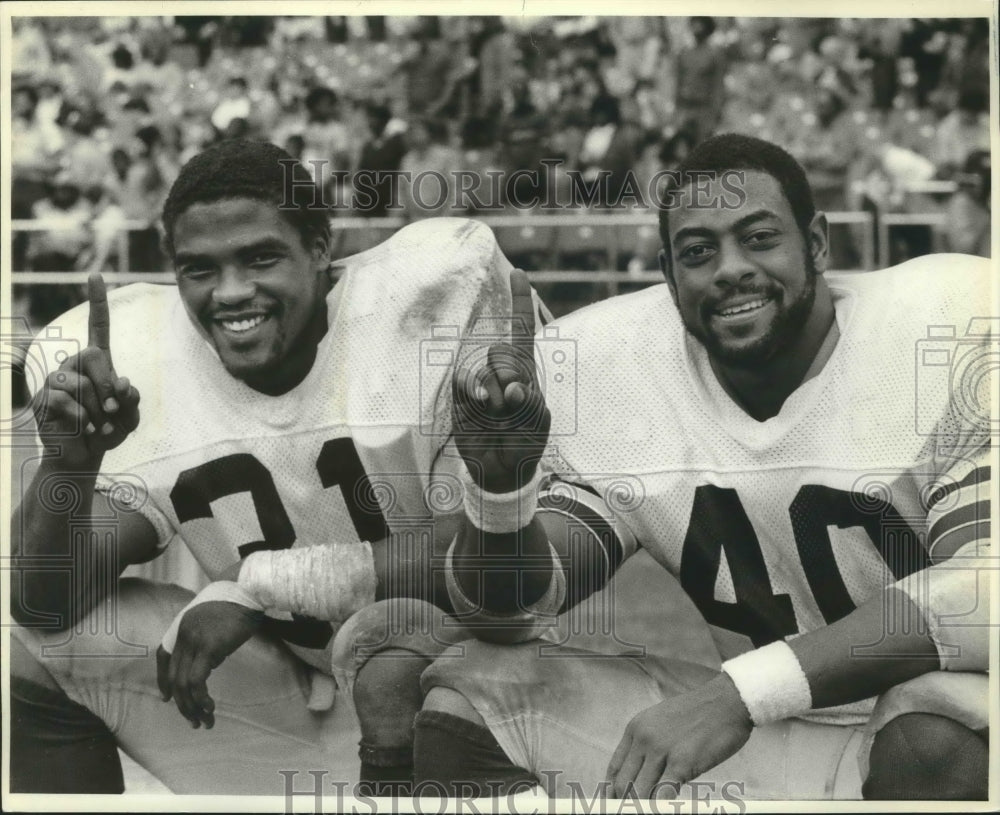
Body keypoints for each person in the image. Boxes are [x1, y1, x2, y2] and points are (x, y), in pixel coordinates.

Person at [412, 134, 992, 800]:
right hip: (767, 733)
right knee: (474, 689)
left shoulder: (943, 325)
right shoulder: (621, 367)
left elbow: (982, 592)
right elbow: (512, 610)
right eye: (698, 251)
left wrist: (743, 691)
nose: (730, 268)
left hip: (922, 722)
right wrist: (502, 492)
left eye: (760, 237)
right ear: (668, 273)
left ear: (819, 243)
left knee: (929, 739)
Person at [9, 138, 546, 796]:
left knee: (394, 644)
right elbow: (43, 603)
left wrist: (259, 583)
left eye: (260, 257)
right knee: (32, 651)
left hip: (473, 702)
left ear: (320, 249)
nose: (231, 292)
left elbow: (502, 565)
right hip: (305, 699)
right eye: (199, 269)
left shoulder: (417, 305)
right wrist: (69, 467)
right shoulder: (149, 357)